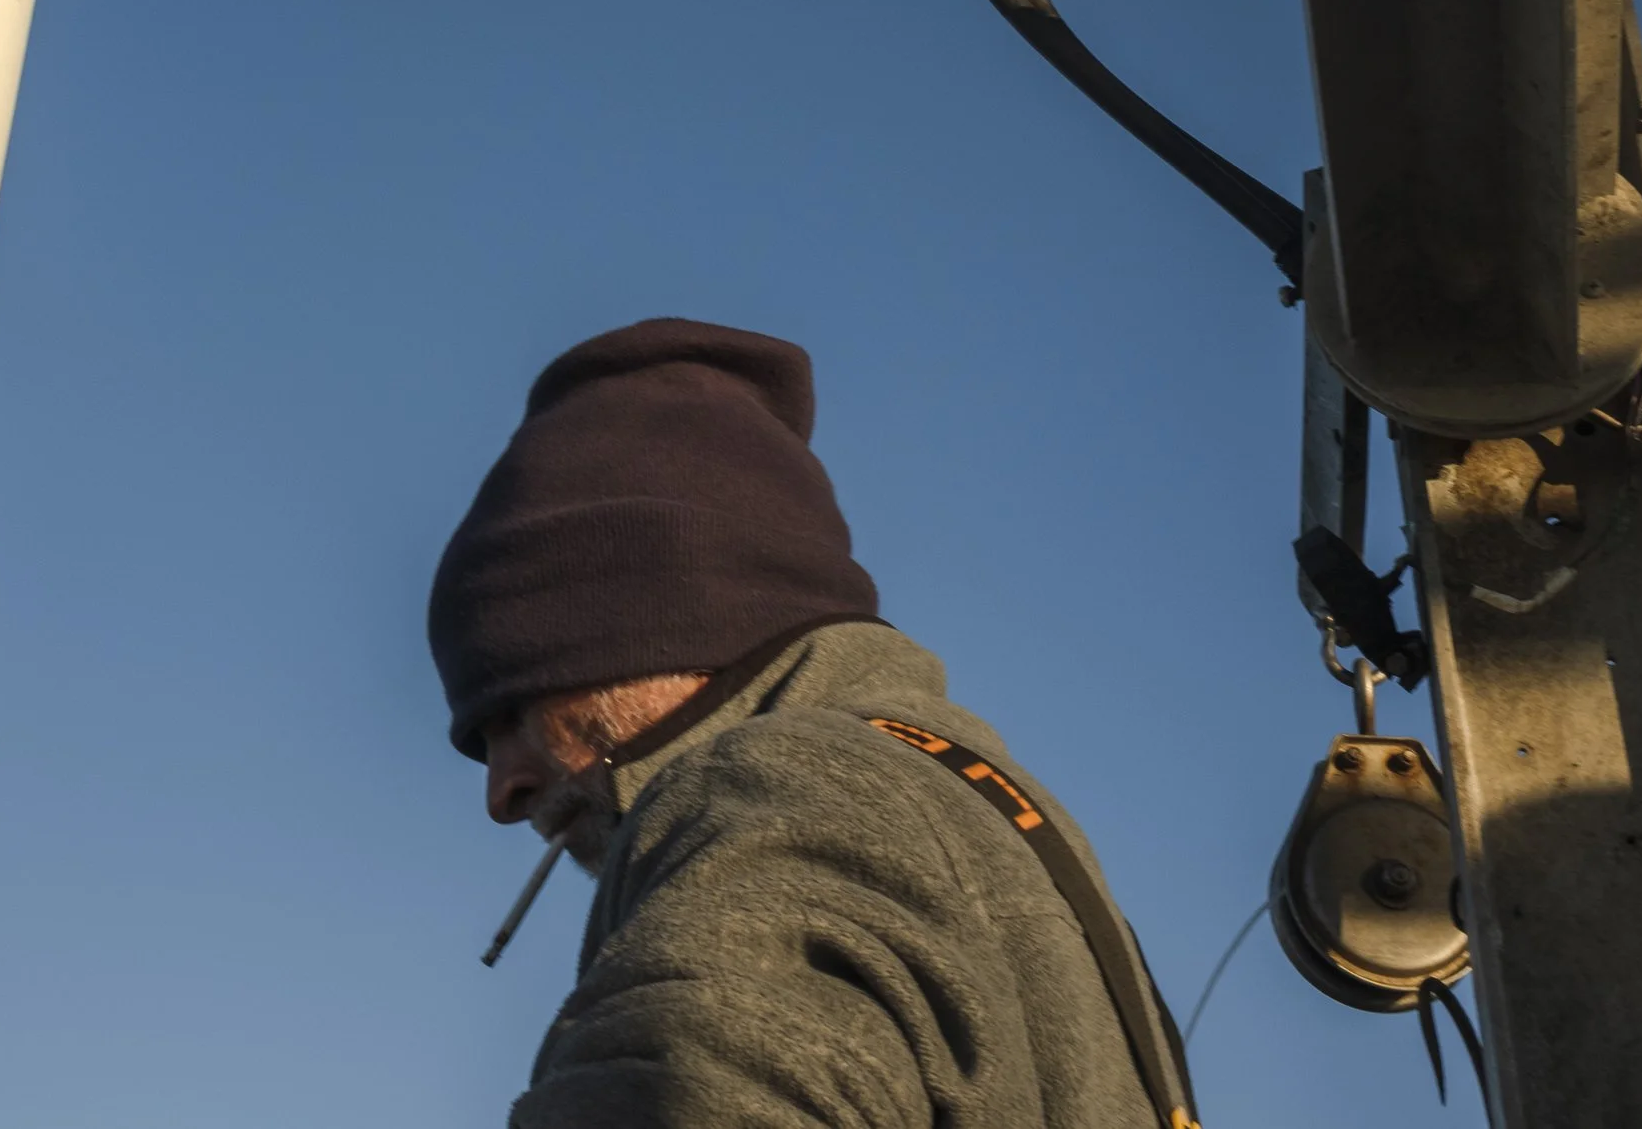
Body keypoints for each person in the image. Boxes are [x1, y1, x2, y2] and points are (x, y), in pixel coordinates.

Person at [430, 317, 1201, 1129]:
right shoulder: (963, 807)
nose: (503, 791)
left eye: (509, 710)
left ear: (642, 622)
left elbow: (699, 1095)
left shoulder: (786, 785)